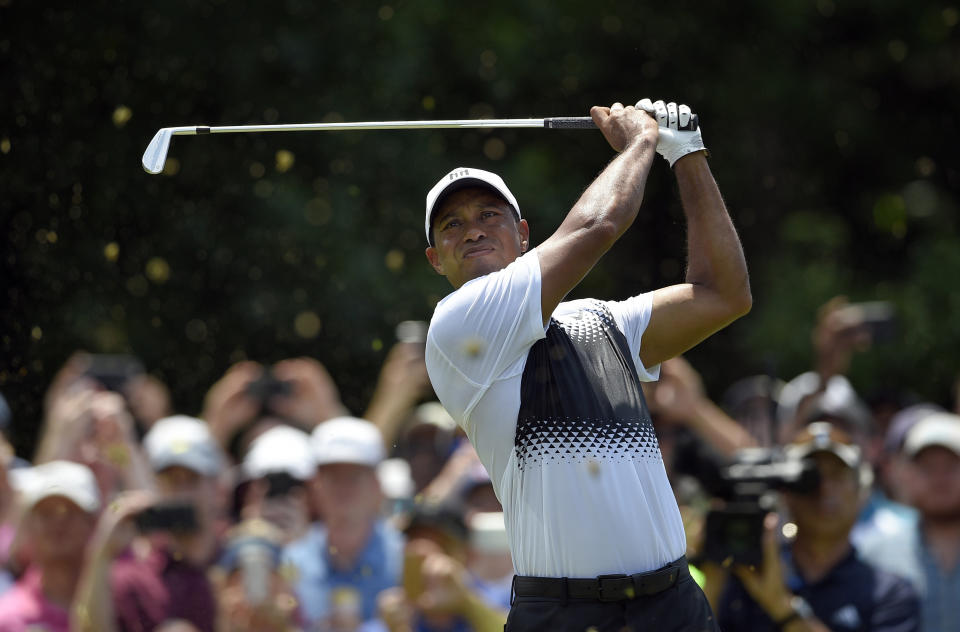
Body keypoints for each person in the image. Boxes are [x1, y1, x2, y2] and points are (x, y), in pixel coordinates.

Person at [422, 99, 751, 631]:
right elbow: (598, 224)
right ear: (436, 260)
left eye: (489, 215)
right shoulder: (457, 327)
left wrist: (688, 154)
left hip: (672, 606)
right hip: (565, 614)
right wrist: (643, 141)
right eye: (452, 226)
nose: (473, 230)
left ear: (523, 234)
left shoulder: (604, 320)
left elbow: (724, 294)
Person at [713, 422, 920, 631]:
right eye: (809, 477)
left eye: (837, 475)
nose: (825, 489)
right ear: (786, 493)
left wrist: (781, 605)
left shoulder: (889, 594)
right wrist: (712, 575)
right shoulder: (747, 575)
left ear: (861, 492)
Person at [282, 416, 404, 629]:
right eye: (333, 477)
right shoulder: (291, 562)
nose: (344, 488)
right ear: (315, 486)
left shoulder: (405, 559)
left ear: (377, 485)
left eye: (355, 476)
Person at [857, 412, 960, 631]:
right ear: (907, 473)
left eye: (951, 466)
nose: (940, 478)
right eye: (928, 467)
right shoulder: (873, 552)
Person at [0, 460, 100, 632]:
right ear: (29, 524)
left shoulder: (124, 604)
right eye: (46, 513)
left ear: (93, 522)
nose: (58, 522)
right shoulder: (8, 619)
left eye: (70, 511)